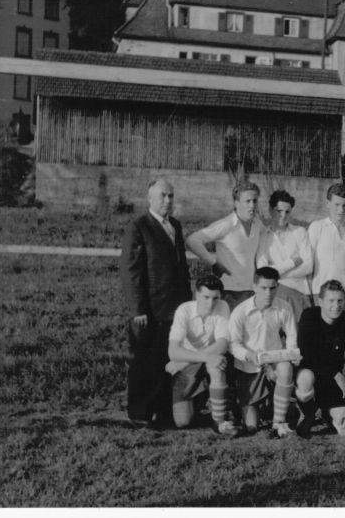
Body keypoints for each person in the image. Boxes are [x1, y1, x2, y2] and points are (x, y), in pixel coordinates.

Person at [121, 178, 191, 427]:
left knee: (166, 361)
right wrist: (138, 309)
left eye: (171, 196)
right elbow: (131, 271)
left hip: (174, 309)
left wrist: (187, 306)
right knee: (144, 362)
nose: (168, 201)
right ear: (150, 198)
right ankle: (140, 414)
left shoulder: (175, 226)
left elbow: (180, 268)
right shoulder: (139, 226)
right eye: (162, 196)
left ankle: (163, 412)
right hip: (149, 310)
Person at [229, 267, 302, 439]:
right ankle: (262, 406)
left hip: (273, 365)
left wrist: (292, 355)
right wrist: (249, 355)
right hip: (249, 369)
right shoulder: (241, 311)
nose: (268, 293)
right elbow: (233, 345)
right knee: (252, 426)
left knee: (285, 368)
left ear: (277, 287)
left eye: (272, 288)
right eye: (263, 288)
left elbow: (292, 337)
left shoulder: (284, 307)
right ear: (254, 287)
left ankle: (279, 423)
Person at [165, 275, 239, 437]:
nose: (210, 303)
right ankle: (204, 398)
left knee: (217, 364)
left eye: (215, 298)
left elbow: (221, 345)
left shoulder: (223, 306)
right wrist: (200, 358)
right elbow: (173, 351)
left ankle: (219, 421)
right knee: (182, 422)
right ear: (196, 295)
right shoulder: (184, 310)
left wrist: (183, 363)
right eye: (206, 297)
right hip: (190, 364)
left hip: (195, 361)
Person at [297, 280, 345, 437]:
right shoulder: (309, 316)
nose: (336, 305)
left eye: (340, 300)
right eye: (331, 300)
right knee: (305, 378)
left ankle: (324, 414)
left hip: (331, 385)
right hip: (312, 376)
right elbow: (306, 355)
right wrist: (336, 375)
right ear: (320, 301)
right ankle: (307, 412)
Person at [186, 182, 265, 312]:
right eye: (248, 201)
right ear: (237, 203)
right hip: (229, 292)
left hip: (252, 291)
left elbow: (268, 238)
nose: (252, 205)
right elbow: (192, 240)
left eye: (255, 201)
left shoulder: (258, 225)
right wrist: (213, 262)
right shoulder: (226, 225)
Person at [255, 190, 313, 323]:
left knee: (300, 339)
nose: (283, 215)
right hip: (275, 293)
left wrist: (276, 274)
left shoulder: (300, 232)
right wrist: (292, 263)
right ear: (270, 210)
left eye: (287, 212)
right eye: (278, 211)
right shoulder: (263, 236)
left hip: (299, 293)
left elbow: (308, 266)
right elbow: (262, 270)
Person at [308, 184, 345, 316]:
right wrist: (310, 294)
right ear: (327, 203)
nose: (341, 210)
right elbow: (308, 264)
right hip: (321, 294)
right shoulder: (317, 227)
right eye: (336, 205)